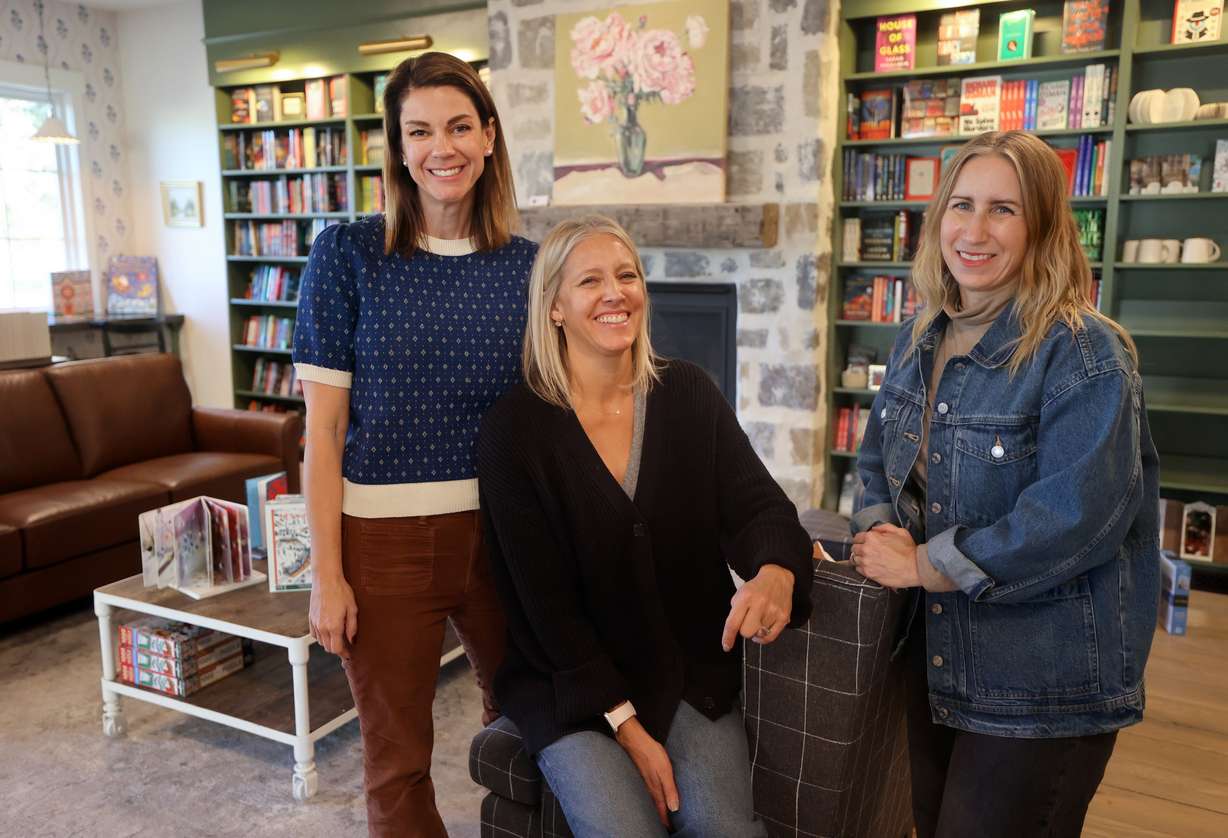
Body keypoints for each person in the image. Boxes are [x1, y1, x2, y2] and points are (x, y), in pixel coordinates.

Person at [849, 131, 1160, 838]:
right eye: (962, 205)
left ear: (1043, 227)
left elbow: (1078, 517)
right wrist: (876, 531)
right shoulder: (919, 334)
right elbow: (876, 464)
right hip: (935, 659)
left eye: (1004, 210)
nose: (976, 231)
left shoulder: (1084, 351)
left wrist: (925, 564)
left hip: (1039, 682)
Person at [476, 215, 814, 838]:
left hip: (686, 666)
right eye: (590, 281)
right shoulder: (513, 431)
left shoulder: (687, 393)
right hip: (570, 685)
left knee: (726, 831)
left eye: (626, 275)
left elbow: (760, 506)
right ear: (554, 307)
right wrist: (629, 730)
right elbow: (544, 610)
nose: (614, 293)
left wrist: (776, 570)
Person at [291, 52, 537, 838]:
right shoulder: (348, 254)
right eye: (421, 130)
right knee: (396, 760)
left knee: (538, 724)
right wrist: (325, 574)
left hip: (505, 536)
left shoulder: (529, 268)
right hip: (383, 541)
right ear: (398, 148)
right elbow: (322, 432)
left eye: (461, 126)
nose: (444, 147)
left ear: (490, 137)